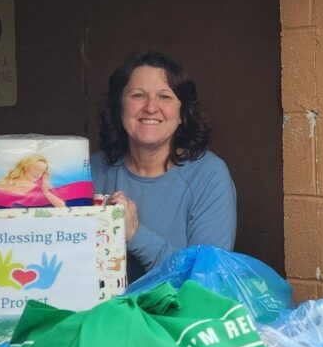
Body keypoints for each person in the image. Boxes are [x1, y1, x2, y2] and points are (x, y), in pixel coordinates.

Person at [91, 51, 236, 280]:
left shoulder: (208, 175)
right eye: (138, 95)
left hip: (175, 314)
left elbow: (206, 280)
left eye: (165, 97)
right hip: (103, 313)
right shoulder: (93, 170)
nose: (150, 108)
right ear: (120, 107)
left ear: (182, 114)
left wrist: (135, 235)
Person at [0, 153, 67, 207]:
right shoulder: (7, 182)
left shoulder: (43, 187)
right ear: (25, 166)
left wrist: (45, 191)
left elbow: (61, 206)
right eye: (35, 168)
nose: (38, 173)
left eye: (42, 171)